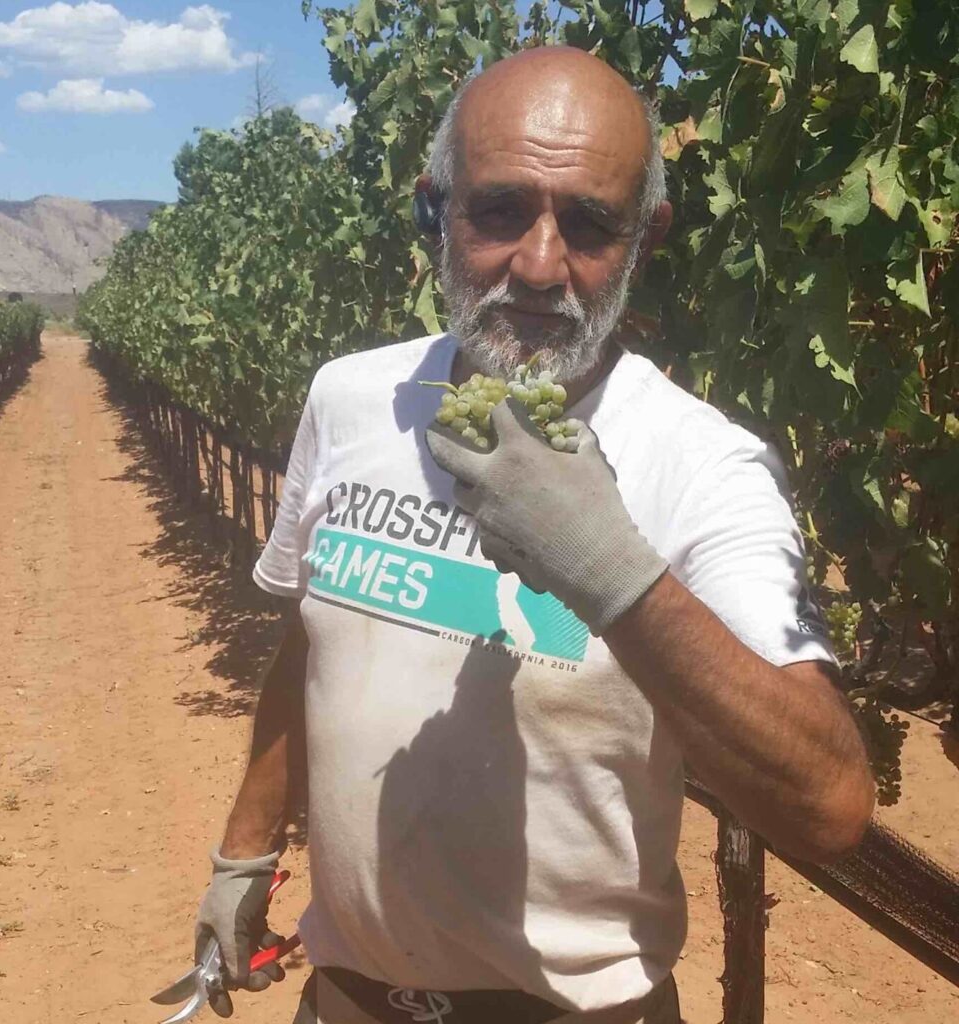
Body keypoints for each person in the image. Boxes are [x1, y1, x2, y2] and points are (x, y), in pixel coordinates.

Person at [193, 46, 875, 1024]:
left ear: (647, 238)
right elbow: (315, 634)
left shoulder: (705, 467)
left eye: (590, 224)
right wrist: (245, 854)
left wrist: (615, 574)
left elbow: (831, 801)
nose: (540, 264)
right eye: (501, 210)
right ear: (437, 210)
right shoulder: (349, 399)